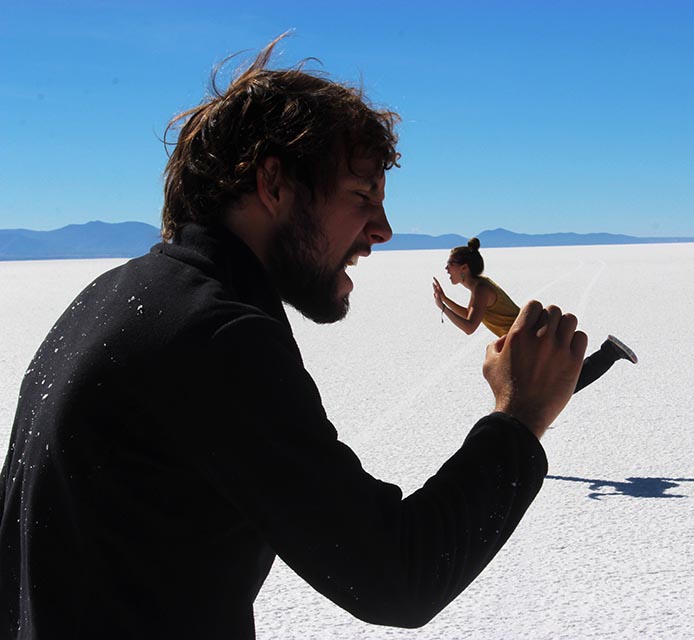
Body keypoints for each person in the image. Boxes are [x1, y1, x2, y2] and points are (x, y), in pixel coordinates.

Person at [0, 35, 588, 639]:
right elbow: (397, 575)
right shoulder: (213, 338)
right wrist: (519, 417)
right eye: (362, 196)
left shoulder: (114, 298)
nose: (381, 231)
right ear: (272, 183)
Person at [432, 237, 637, 393]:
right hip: (526, 341)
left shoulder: (481, 289)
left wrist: (443, 306)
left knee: (558, 388)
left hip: (529, 341)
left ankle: (609, 352)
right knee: (556, 387)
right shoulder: (479, 286)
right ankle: (609, 352)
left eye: (450, 264)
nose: (446, 269)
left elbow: (469, 326)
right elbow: (470, 314)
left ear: (464, 268)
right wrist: (444, 301)